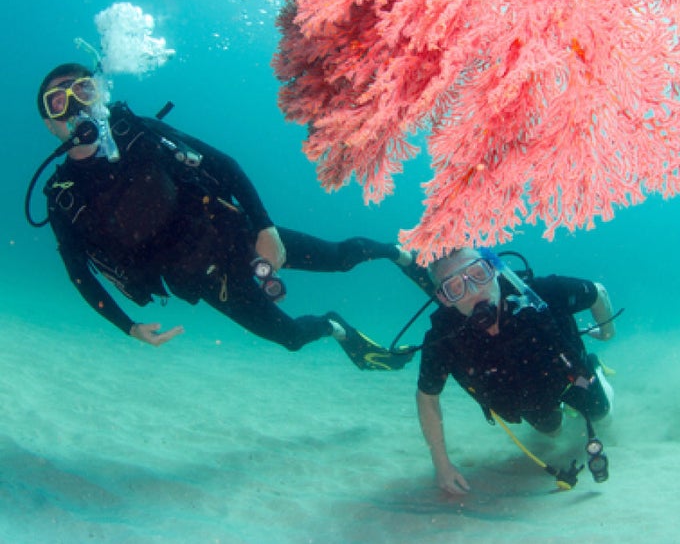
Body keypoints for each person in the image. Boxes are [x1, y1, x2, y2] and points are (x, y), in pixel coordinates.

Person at [32, 62, 415, 368]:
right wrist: (128, 326)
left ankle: (400, 254)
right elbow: (79, 273)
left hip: (238, 234)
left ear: (100, 93)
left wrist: (265, 228)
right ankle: (337, 329)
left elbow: (222, 163)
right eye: (58, 101)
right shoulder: (64, 197)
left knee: (339, 259)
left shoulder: (141, 133)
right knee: (293, 338)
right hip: (208, 282)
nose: (76, 105)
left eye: (83, 89)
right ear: (50, 125)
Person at [416, 246, 616, 493]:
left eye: (479, 274)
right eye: (456, 287)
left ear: (495, 268)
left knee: (601, 414)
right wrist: (442, 466)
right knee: (551, 431)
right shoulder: (443, 339)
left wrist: (607, 334)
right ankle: (558, 418)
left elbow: (597, 292)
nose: (475, 291)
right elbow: (427, 397)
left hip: (570, 376)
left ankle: (595, 367)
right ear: (444, 298)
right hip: (526, 400)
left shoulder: (542, 293)